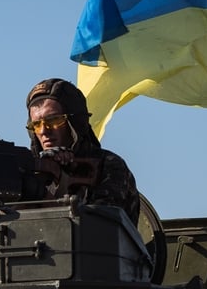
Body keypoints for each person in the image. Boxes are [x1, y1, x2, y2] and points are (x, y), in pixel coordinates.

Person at [25, 78, 140, 226]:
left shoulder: (107, 165)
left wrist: (62, 181)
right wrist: (37, 179)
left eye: (53, 120)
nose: (43, 131)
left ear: (75, 123)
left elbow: (97, 229)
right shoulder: (30, 171)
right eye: (36, 124)